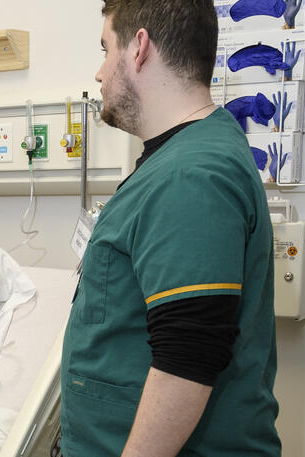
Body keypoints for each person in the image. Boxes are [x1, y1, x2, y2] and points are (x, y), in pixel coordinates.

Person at [61, 1, 280, 456]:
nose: (100, 73)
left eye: (106, 50)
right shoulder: (179, 160)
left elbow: (188, 359)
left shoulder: (191, 174)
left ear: (139, 48)